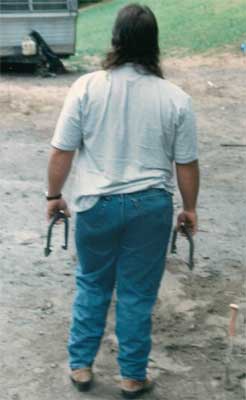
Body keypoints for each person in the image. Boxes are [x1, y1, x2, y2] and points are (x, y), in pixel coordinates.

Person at [46, 3, 199, 399]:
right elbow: (186, 163)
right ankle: (132, 376)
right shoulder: (176, 98)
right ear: (154, 43)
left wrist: (53, 196)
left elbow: (62, 150)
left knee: (92, 284)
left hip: (96, 204)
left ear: (116, 39)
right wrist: (189, 208)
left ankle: (80, 366)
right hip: (150, 207)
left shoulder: (86, 87)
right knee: (136, 293)